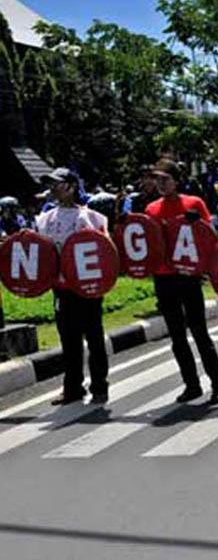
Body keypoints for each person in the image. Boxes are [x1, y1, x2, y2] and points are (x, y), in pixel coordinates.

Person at [145, 159, 218, 403]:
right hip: (164, 277)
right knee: (177, 337)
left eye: (165, 179)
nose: (160, 184)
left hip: (188, 276)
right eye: (157, 179)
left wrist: (197, 222)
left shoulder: (194, 203)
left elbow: (208, 238)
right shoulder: (151, 209)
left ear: (176, 181)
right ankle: (191, 384)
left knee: (199, 332)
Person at [35, 168, 110, 404]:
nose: (54, 189)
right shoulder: (45, 219)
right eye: (52, 185)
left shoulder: (92, 217)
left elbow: (104, 252)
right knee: (69, 339)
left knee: (94, 336)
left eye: (58, 184)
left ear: (71, 186)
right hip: (62, 288)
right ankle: (73, 387)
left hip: (88, 288)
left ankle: (99, 385)